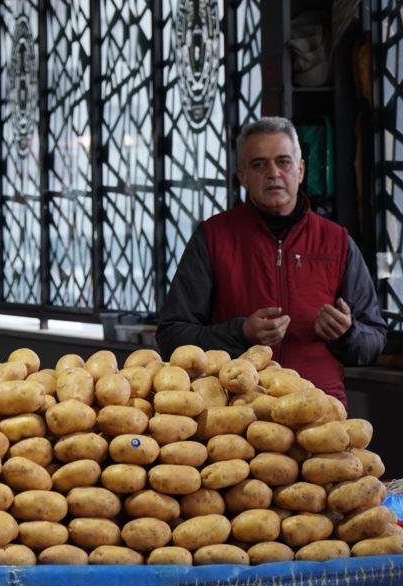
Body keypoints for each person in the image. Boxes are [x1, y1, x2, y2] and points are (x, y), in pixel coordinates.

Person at [156, 117, 386, 403]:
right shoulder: (213, 237)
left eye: (283, 162)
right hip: (236, 416)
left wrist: (346, 334)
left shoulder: (337, 242)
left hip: (319, 413)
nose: (273, 173)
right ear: (243, 176)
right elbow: (171, 335)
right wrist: (240, 333)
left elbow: (374, 340)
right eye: (259, 164)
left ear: (300, 171)